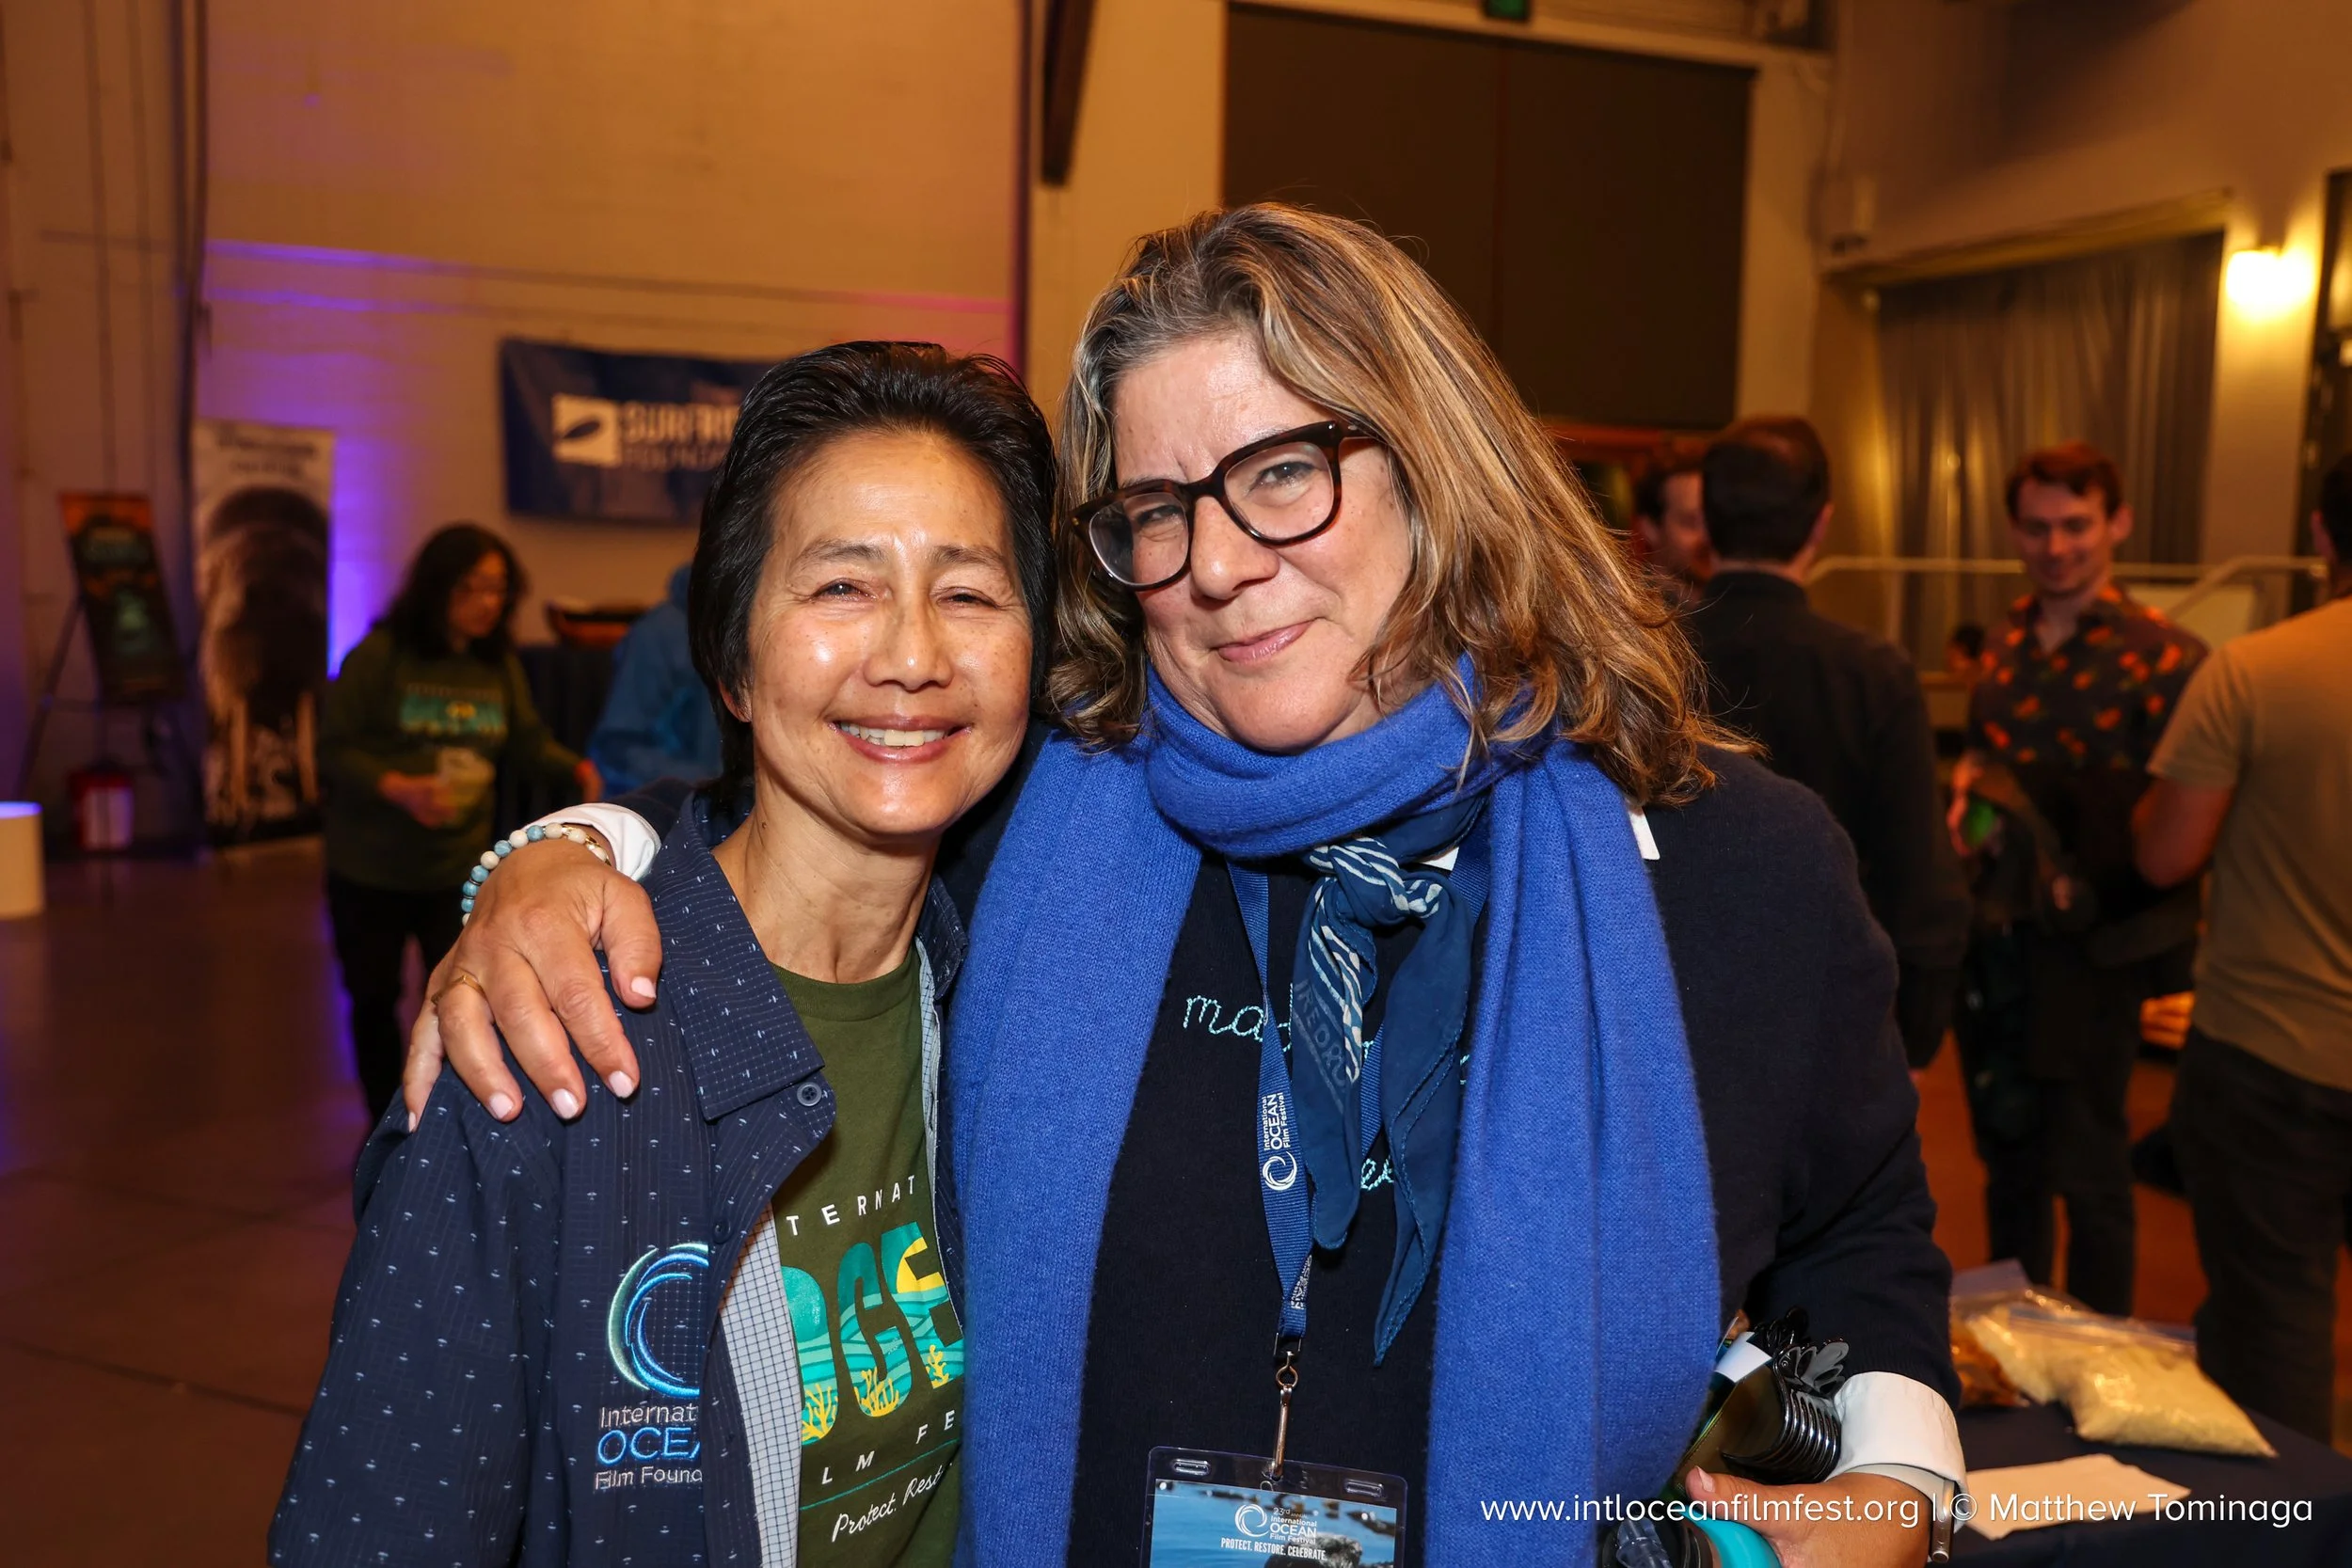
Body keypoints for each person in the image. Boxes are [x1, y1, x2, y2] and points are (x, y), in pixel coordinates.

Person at [408, 206, 1963, 1567]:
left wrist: (1898, 1475)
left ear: (1437, 466)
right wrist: (560, 857)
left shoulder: (1728, 871)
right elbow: (778, 812)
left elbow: (1858, 1223)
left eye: (1282, 472)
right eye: (1158, 509)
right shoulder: (1031, 822)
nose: (1217, 563)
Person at [274, 343, 1057, 1566]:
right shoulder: (544, 1041)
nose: (913, 654)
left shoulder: (1008, 998)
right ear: (732, 661)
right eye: (841, 585)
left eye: (968, 593)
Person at [1946, 441, 2204, 1316]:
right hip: (2002, 942)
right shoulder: (2003, 643)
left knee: (2093, 1169)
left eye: (2076, 525)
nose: (2056, 546)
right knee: (2008, 1158)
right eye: (2037, 527)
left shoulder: (2170, 656)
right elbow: (1981, 768)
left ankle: (2102, 1360)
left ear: (2117, 523)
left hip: (2101, 953)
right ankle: (2010, 1349)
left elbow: (2183, 820)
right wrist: (1971, 813)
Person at [2130, 455, 2352, 1442]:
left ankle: (2293, 1517)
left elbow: (2166, 854)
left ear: (2320, 533)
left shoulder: (2254, 670)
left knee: (2274, 1331)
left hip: (2270, 1054)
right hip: (2272, 1061)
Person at [1682, 416, 1971, 1069]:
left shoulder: (1643, 659)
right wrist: (1911, 1036)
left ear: (1706, 521)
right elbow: (1919, 879)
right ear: (1822, 524)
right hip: (1820, 1012)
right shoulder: (1871, 674)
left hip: (1659, 1004)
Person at [318, 522, 600, 1123]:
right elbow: (334, 748)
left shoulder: (497, 666)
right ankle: (383, 1123)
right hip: (371, 868)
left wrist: (576, 769)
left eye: (497, 589)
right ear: (437, 588)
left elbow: (525, 742)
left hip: (455, 869)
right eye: (471, 588)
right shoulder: (382, 656)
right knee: (374, 999)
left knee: (459, 992)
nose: (486, 603)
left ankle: (448, 1114)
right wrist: (398, 788)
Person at [586, 562, 724, 794]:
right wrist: (715, 786)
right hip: (670, 807)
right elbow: (616, 748)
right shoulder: (659, 635)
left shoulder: (767, 630)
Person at [1629, 436, 1711, 606]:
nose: (1707, 536)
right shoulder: (1631, 610)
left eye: (1715, 520)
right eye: (1690, 522)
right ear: (1650, 529)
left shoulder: (1736, 605)